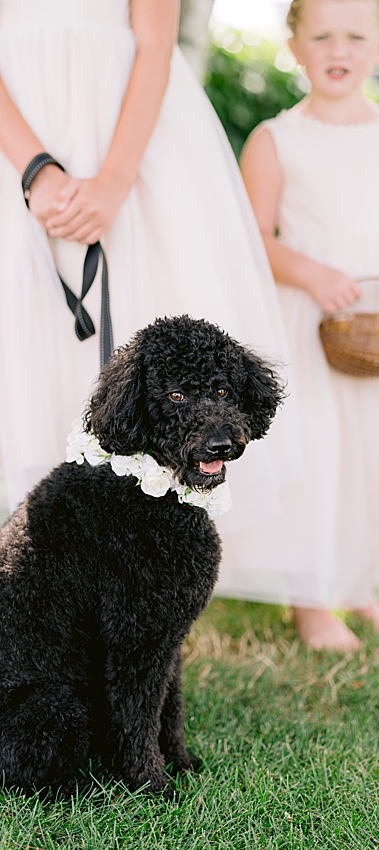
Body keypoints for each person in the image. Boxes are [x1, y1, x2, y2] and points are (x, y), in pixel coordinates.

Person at [0, 0, 300, 531]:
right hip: (5, 128)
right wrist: (36, 170)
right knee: (23, 336)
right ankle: (46, 540)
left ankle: (148, 532)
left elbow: (156, 42)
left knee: (150, 332)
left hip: (129, 128)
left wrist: (115, 181)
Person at [216, 0, 379, 651]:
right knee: (317, 454)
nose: (339, 50)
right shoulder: (276, 138)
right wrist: (310, 271)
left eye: (356, 36)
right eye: (322, 36)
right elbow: (252, 237)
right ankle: (310, 599)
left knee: (367, 457)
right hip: (308, 321)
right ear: (294, 46)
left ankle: (361, 582)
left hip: (371, 321)